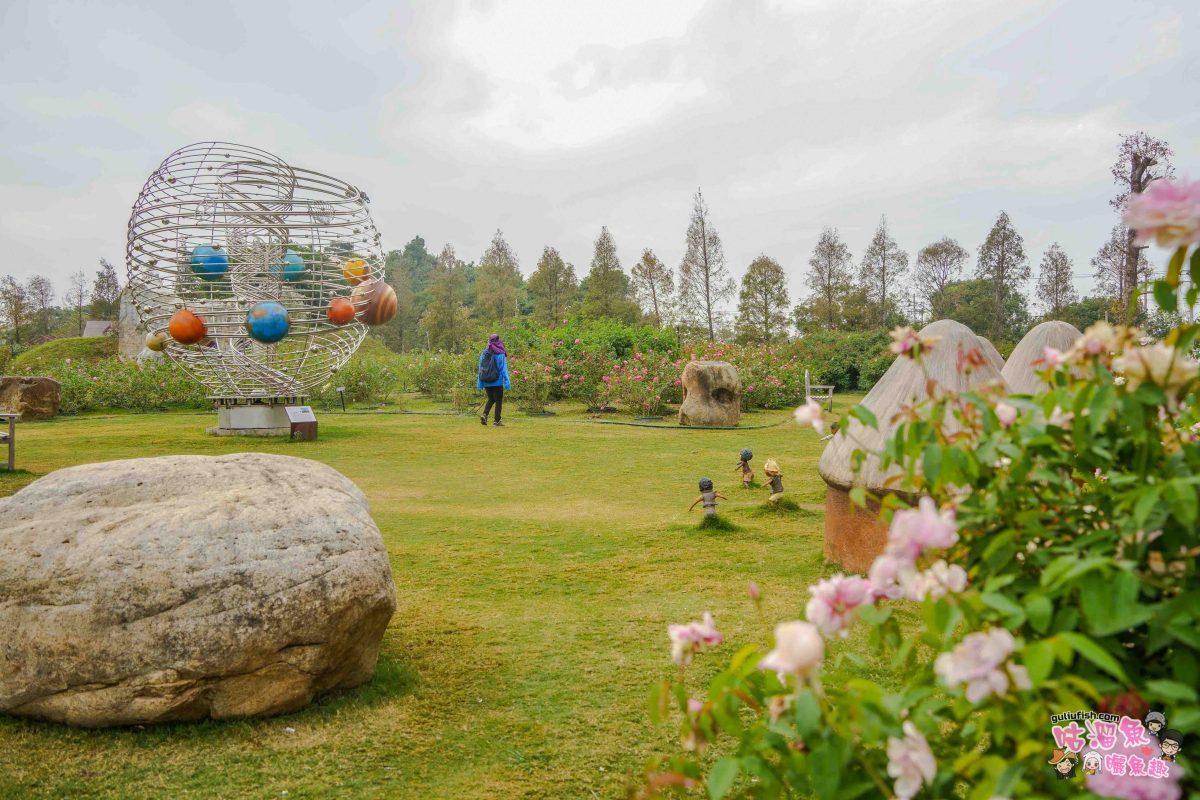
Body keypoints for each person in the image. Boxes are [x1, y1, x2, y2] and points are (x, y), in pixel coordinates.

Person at [477, 333, 511, 427]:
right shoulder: (500, 354)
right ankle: (497, 421)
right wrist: (507, 382)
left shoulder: (484, 353)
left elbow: (480, 369)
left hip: (487, 380)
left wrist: (480, 382)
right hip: (497, 380)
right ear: (498, 341)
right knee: (498, 400)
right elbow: (503, 369)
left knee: (491, 399)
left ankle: (485, 414)